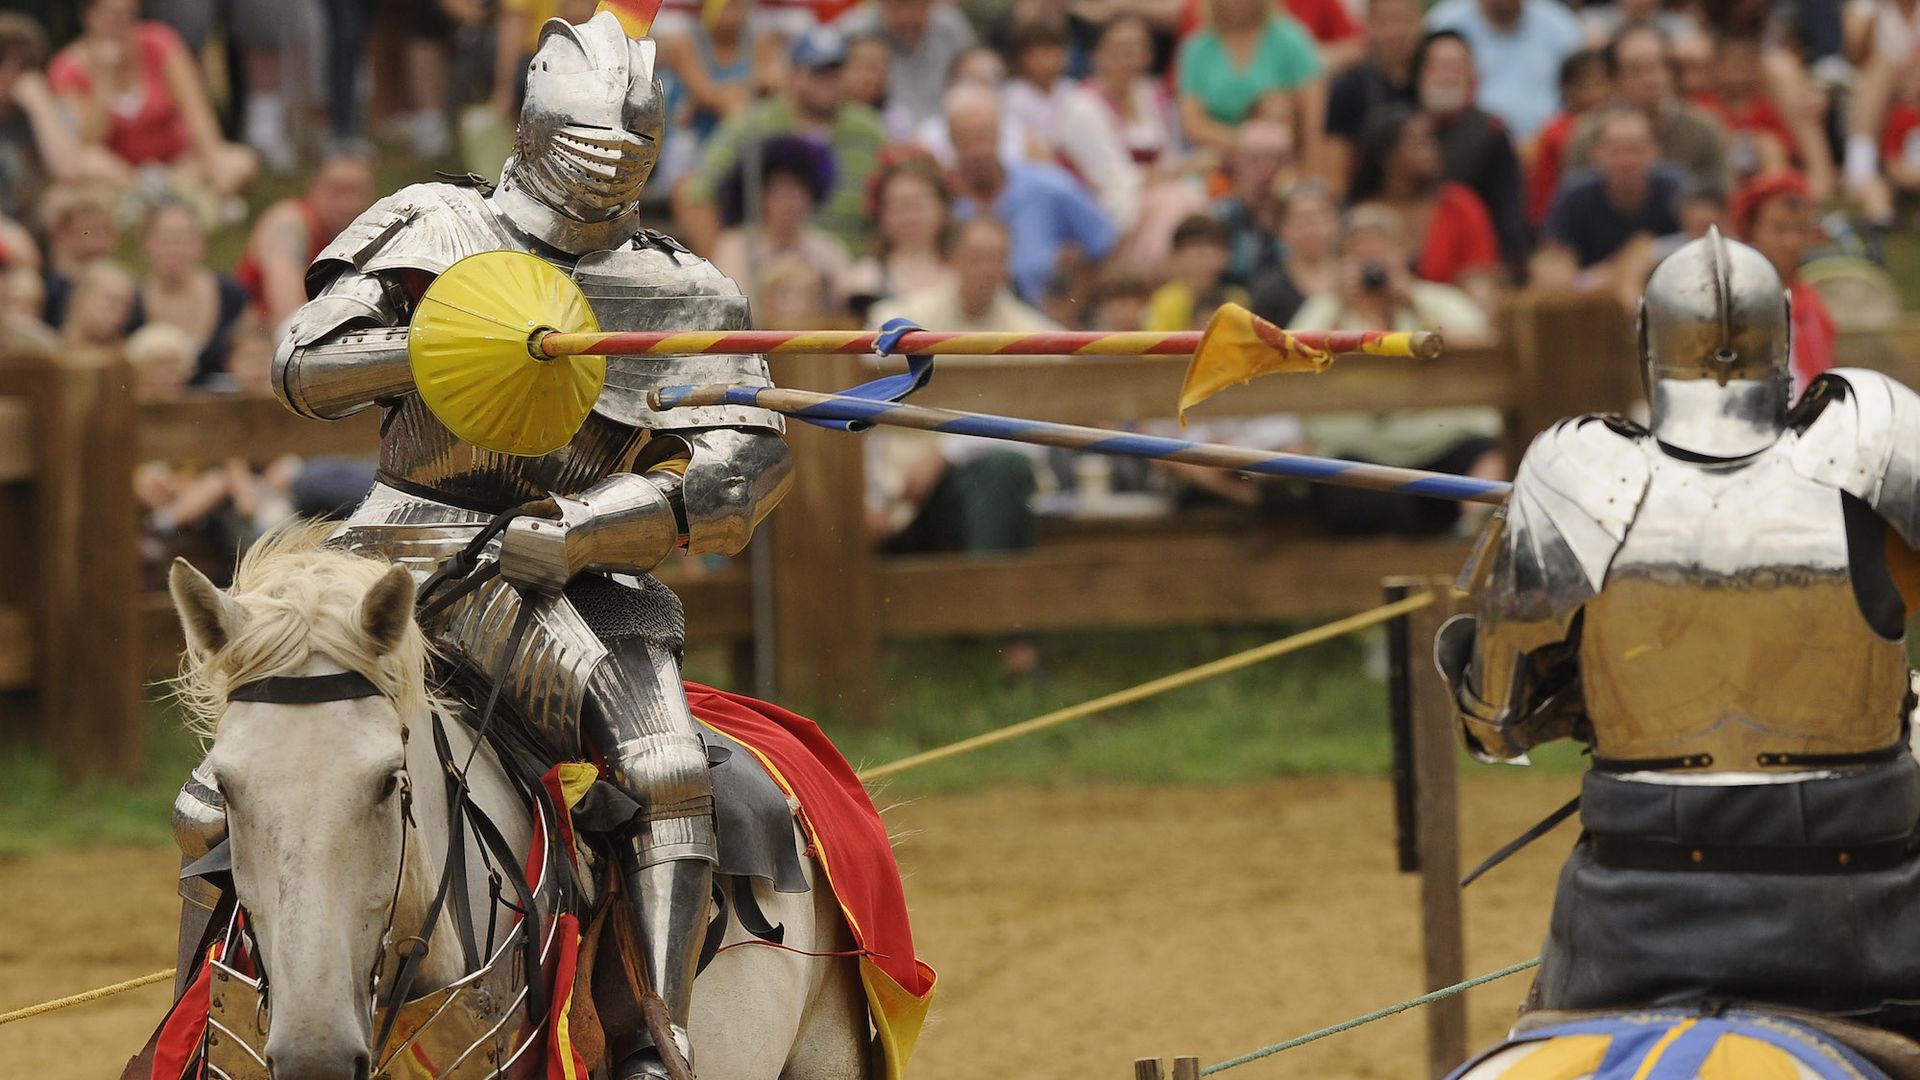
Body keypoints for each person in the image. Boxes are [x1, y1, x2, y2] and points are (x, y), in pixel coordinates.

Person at [174, 13, 805, 1079]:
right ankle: (210, 1026)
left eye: (625, 162)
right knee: (210, 802)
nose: (600, 182)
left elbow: (745, 466)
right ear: (534, 130)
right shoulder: (434, 224)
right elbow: (302, 364)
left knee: (662, 769)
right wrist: (446, 340)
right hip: (391, 562)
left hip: (577, 578)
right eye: (586, 154)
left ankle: (656, 1041)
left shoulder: (685, 290)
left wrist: (594, 526)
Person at [1434, 228, 1920, 1031]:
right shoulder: (1879, 437)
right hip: (1856, 909)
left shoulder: (1574, 471)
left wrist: (1601, 691)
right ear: (1784, 334)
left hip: (1635, 909)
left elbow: (1492, 725)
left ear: (1648, 344)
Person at [1280, 203, 1501, 538]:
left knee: (1490, 460)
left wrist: (1414, 305)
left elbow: (1481, 349)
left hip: (1441, 440)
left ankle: (1473, 533)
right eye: (1363, 257)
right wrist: (1341, 310)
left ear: (1404, 254)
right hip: (1358, 452)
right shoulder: (1324, 309)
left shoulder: (1438, 300)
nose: (1374, 267)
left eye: (1382, 254)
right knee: (1364, 500)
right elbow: (1293, 360)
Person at [866, 215, 1047, 576]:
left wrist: (946, 452)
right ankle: (1003, 605)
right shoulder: (899, 321)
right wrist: (866, 496)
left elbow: (1038, 430)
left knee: (1004, 469)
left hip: (990, 485)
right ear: (953, 260)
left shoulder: (1035, 333)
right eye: (976, 258)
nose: (987, 270)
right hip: (899, 493)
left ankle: (990, 597)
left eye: (996, 259)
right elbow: (861, 407)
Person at [675, 25, 887, 254]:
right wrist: (720, 265)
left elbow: (892, 200)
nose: (828, 82)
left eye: (835, 72)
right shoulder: (752, 124)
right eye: (818, 72)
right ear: (792, 74)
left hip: (850, 263)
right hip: (766, 261)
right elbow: (697, 193)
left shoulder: (870, 130)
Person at [46, 0, 257, 201]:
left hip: (177, 165)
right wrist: (104, 80)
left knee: (239, 162)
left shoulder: (159, 43)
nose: (120, 23)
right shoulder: (67, 69)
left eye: (128, 14)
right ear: (88, 16)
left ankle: (159, 195)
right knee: (87, 164)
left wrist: (214, 161)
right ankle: (155, 196)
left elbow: (197, 114)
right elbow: (89, 141)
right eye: (112, 15)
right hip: (119, 173)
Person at [945, 82, 1115, 304]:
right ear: (952, 142)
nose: (978, 151)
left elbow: (1103, 243)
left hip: (1041, 316)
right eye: (967, 140)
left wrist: (1070, 306)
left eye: (985, 137)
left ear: (1000, 136)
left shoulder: (1050, 186)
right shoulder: (944, 202)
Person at [1055, 13, 1192, 239]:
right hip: (1108, 211)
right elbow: (1110, 178)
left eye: (1140, 49)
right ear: (1098, 53)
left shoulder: (1151, 96)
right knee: (1175, 204)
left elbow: (1170, 157)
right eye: (1122, 50)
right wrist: (1163, 174)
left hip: (1157, 196)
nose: (1132, 59)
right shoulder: (1083, 107)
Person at [1349, 106, 1502, 304]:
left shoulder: (1459, 207)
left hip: (1445, 320)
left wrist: (1418, 298)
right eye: (1418, 142)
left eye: (1432, 140)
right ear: (1387, 155)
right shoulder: (1360, 214)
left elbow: (1480, 290)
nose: (1432, 150)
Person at [1412, 30, 1529, 275]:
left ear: (1472, 76)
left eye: (1456, 67)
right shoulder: (1398, 127)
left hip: (1471, 259)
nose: (1447, 77)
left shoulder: (1491, 134)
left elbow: (1507, 215)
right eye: (1439, 66)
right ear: (1420, 73)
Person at [1565, 25, 1731, 195]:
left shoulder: (1704, 130)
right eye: (1636, 70)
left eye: (1658, 66)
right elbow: (1575, 200)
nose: (1651, 80)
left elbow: (1722, 196)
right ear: (1615, 79)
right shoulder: (1590, 134)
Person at [711, 134, 853, 315]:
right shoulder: (734, 247)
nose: (789, 202)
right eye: (779, 192)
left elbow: (843, 311)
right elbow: (729, 310)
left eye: (797, 191)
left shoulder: (830, 251)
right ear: (761, 197)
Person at [234, 154, 379, 325]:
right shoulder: (290, 223)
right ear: (314, 189)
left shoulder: (372, 235)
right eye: (336, 191)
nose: (347, 203)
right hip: (257, 332)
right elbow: (288, 317)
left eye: (356, 192)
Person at [1541, 105, 1686, 274]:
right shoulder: (1575, 195)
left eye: (1635, 150)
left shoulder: (1677, 189)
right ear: (1596, 153)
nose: (1626, 161)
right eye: (1616, 151)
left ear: (1655, 151)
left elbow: (1696, 244)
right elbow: (1554, 258)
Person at [1176, 0, 1326, 160]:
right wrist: (1246, 140)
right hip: (1217, 158)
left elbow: (1313, 119)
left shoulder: (1291, 40)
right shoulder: (1197, 49)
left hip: (1283, 157)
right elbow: (1192, 123)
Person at [1732, 169, 1832, 396]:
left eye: (1800, 229)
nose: (1791, 242)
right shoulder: (1737, 300)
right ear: (1751, 231)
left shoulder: (1811, 299)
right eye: (1779, 229)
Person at [1424, 0, 1582, 141]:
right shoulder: (1445, 22)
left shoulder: (1558, 23)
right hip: (1469, 142)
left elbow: (1581, 83)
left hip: (1551, 144)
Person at [131, 201, 249, 385]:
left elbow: (252, 347)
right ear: (144, 244)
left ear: (202, 244)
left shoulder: (232, 294)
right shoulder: (129, 301)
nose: (175, 248)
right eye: (165, 239)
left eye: (184, 239)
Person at [1324, 0, 1424, 189]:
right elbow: (1335, 172)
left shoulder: (1432, 78)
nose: (1396, 32)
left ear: (1420, 21)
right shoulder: (1348, 88)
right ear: (1368, 24)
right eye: (1385, 22)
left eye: (1404, 20)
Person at [846, 148, 954, 320]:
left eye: (918, 204)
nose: (909, 216)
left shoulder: (963, 275)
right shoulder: (864, 279)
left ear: (942, 207)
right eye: (898, 206)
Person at [833, 0, 978, 128]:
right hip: (879, 130)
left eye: (916, 7)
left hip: (945, 130)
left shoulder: (951, 27)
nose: (907, 18)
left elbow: (973, 76)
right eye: (897, 7)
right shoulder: (854, 32)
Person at [1527, 47, 1611, 225]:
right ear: (1566, 90)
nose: (1596, 94)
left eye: (1601, 84)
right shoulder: (1555, 134)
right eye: (1585, 86)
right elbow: (1543, 203)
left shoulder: (1620, 125)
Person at [1209, 121, 1295, 285]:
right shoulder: (1220, 216)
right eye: (1255, 159)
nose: (1267, 169)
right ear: (1236, 163)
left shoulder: (1300, 212)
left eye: (1277, 160)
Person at [1249, 179, 1341, 324]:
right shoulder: (1269, 290)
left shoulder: (1354, 282)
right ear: (1282, 228)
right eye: (1302, 220)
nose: (1312, 228)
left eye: (1319, 217)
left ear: (1336, 222)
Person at [1145, 214, 1245, 331]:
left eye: (1206, 252)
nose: (1199, 262)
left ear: (1225, 255)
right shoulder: (1165, 301)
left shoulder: (1236, 300)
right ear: (1175, 257)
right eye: (1191, 253)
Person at [60, 257, 137, 350]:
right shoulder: (50, 350)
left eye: (126, 307)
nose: (119, 316)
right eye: (111, 303)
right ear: (79, 299)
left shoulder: (129, 354)